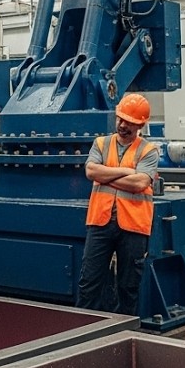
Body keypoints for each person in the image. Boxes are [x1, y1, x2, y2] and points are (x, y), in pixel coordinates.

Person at [76, 92, 160, 316]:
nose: (123, 125)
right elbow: (91, 171)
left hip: (133, 227)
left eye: (129, 122)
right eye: (120, 119)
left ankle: (125, 334)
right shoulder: (101, 143)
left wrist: (107, 175)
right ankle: (82, 332)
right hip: (100, 223)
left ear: (140, 124)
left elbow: (140, 182)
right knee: (89, 282)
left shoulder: (149, 150)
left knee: (128, 286)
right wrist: (126, 172)